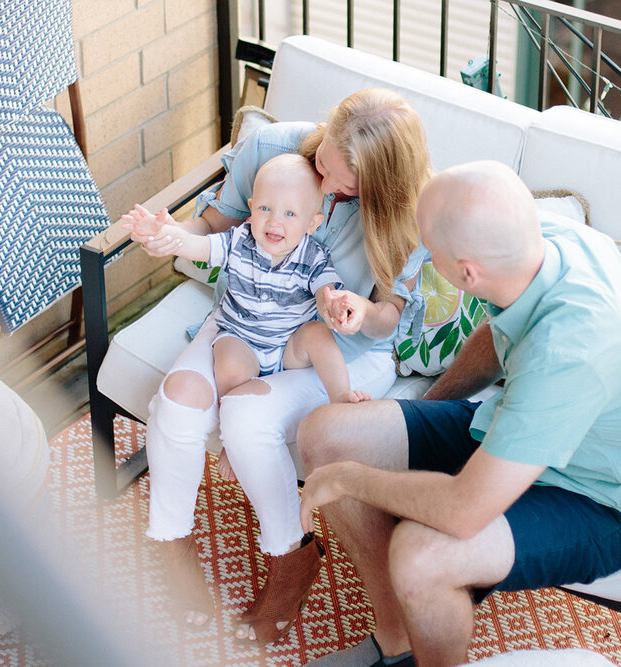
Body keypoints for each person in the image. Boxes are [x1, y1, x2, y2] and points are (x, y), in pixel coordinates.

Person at [297, 161, 621, 666]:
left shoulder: (569, 350)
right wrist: (418, 414)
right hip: (521, 429)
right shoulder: (541, 239)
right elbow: (499, 334)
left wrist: (350, 479)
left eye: (429, 252)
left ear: (467, 272)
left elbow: (464, 510)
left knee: (421, 555)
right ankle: (398, 642)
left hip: (604, 500)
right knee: (326, 434)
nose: (421, 256)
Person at [122, 88, 432, 644]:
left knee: (244, 419)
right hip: (245, 321)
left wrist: (362, 312)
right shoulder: (271, 148)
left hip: (336, 350)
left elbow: (392, 318)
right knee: (179, 402)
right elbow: (214, 232)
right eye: (324, 165)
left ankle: (293, 557)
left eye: (348, 187)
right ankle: (171, 542)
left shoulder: (407, 212)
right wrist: (166, 235)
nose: (330, 187)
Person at [122, 153, 371, 448]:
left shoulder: (312, 257)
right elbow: (199, 246)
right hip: (241, 337)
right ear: (251, 208)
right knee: (230, 369)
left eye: (290, 214)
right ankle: (231, 441)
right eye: (265, 208)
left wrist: (334, 305)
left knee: (318, 335)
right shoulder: (238, 242)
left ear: (312, 223)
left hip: (287, 343)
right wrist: (166, 233)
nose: (275, 222)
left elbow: (324, 292)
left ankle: (341, 398)